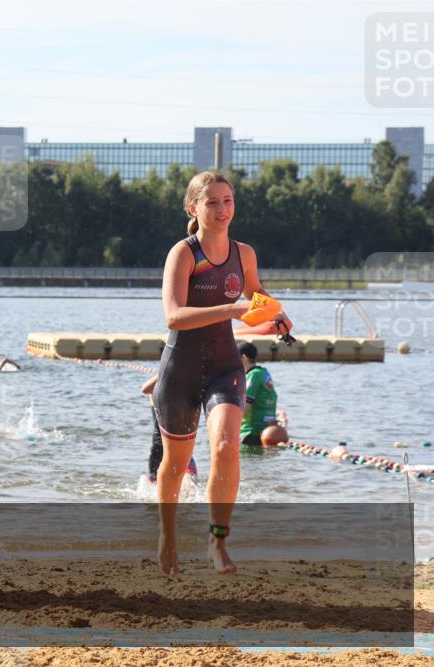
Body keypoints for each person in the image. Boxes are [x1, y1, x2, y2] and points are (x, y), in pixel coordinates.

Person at [152, 171, 292, 577]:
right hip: (179, 371)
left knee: (228, 445)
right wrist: (232, 310)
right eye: (212, 202)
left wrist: (277, 316)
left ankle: (217, 543)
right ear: (193, 208)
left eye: (228, 200)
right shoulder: (184, 253)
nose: (222, 209)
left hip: (224, 366)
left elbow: (256, 295)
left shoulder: (243, 253)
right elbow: (174, 316)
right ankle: (167, 535)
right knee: (175, 464)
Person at [140, 374, 197, 484]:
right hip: (160, 449)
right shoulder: (160, 384)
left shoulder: (189, 384)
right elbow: (145, 389)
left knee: (190, 484)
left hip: (182, 447)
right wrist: (165, 371)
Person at [237, 343, 281, 448]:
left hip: (250, 434)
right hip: (267, 433)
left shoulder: (253, 376)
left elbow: (245, 407)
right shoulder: (264, 373)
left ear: (244, 357)